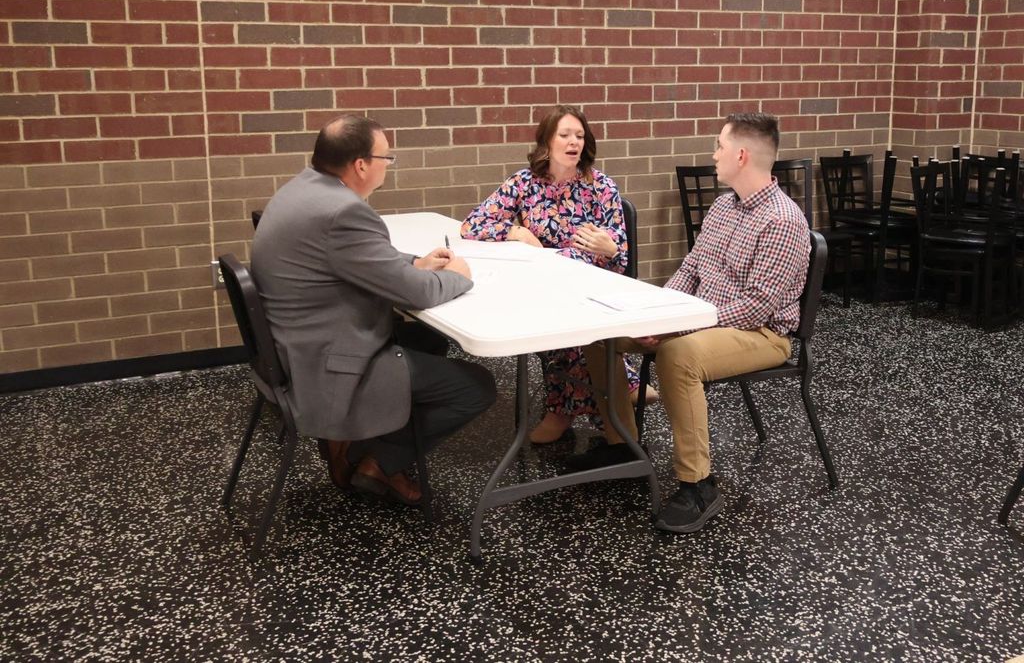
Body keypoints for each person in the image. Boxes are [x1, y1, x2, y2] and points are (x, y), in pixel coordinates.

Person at [574, 113, 810, 534]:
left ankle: (699, 484)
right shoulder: (724, 205)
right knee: (598, 331)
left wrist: (678, 327)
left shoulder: (783, 221)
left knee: (677, 354)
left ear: (741, 155)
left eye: (719, 146)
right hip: (701, 319)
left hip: (763, 334)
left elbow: (756, 307)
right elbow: (692, 268)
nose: (713, 154)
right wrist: (658, 314)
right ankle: (624, 448)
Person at [251, 114, 496, 506]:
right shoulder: (345, 212)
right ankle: (377, 460)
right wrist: (458, 275)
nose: (388, 164)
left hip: (292, 350)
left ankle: (366, 435)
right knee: (476, 387)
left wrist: (414, 261)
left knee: (430, 340)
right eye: (387, 157)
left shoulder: (303, 189)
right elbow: (417, 295)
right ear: (361, 164)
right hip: (326, 364)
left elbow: (353, 256)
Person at [460, 104, 652, 445]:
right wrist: (514, 232)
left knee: (573, 327)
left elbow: (619, 256)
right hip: (542, 286)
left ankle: (562, 412)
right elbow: (472, 225)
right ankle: (624, 387)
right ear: (546, 143)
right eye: (564, 135)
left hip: (594, 285)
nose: (573, 142)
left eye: (579, 136)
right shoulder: (524, 183)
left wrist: (610, 248)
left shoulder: (601, 186)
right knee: (553, 319)